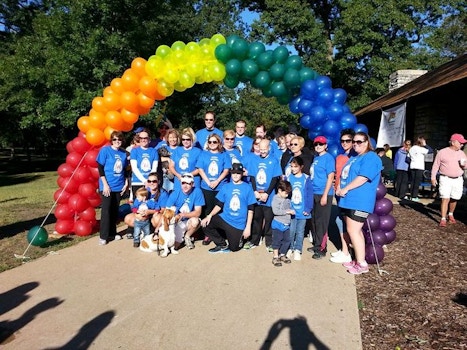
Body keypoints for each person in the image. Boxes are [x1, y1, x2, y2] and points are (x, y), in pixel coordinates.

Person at [336, 132, 382, 275]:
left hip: (360, 201)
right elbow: (346, 176)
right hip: (348, 200)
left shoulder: (371, 157)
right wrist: (339, 187)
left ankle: (362, 264)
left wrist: (346, 188)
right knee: (353, 231)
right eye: (354, 142)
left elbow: (363, 177)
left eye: (359, 142)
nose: (356, 144)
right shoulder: (354, 158)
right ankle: (357, 259)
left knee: (353, 231)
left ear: (367, 142)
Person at [200, 163, 256, 253]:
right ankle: (221, 244)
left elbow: (251, 209)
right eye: (234, 173)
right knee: (205, 223)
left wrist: (248, 227)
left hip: (238, 223)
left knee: (234, 248)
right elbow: (219, 205)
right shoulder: (226, 186)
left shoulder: (248, 188)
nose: (235, 175)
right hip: (225, 218)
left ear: (242, 174)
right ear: (231, 173)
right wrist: (209, 215)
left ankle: (240, 237)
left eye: (238, 173)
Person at [243, 138, 282, 251]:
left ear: (269, 148)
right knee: (256, 218)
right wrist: (255, 191)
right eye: (261, 149)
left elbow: (275, 179)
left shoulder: (274, 160)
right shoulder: (254, 160)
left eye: (265, 149)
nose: (263, 151)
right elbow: (252, 177)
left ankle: (269, 242)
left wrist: (267, 193)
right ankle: (254, 240)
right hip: (257, 195)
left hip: (268, 196)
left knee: (269, 219)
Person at [196, 133, 230, 245]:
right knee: (208, 210)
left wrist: (217, 181)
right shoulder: (203, 154)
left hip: (220, 187)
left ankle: (220, 233)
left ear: (219, 143)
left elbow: (226, 170)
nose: (212, 144)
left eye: (214, 142)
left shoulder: (224, 155)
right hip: (206, 187)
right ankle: (208, 234)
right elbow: (200, 169)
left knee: (219, 210)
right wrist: (208, 182)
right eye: (210, 142)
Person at [96, 131, 129, 245]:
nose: (117, 142)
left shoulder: (123, 153)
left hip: (118, 186)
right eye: (114, 139)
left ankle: (113, 233)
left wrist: (126, 182)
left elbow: (124, 170)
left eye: (119, 139)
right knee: (106, 211)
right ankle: (103, 236)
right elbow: (100, 168)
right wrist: (105, 184)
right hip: (107, 186)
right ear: (111, 140)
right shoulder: (105, 150)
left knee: (115, 211)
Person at [307, 136, 335, 260]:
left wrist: (325, 195)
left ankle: (322, 248)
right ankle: (316, 244)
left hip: (323, 193)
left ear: (326, 146)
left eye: (321, 144)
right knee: (313, 220)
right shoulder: (316, 158)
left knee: (321, 222)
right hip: (314, 192)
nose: (318, 146)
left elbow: (330, 177)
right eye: (316, 144)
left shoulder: (328, 158)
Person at [329, 129, 355, 263]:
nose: (344, 143)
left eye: (348, 141)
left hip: (350, 194)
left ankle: (349, 252)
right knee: (340, 221)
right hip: (339, 194)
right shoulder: (339, 157)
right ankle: (344, 249)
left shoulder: (356, 158)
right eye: (342, 141)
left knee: (349, 223)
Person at [431, 133, 467, 227]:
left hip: (458, 179)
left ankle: (450, 214)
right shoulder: (442, 152)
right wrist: (433, 177)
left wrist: (464, 165)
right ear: (454, 142)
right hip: (445, 178)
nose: (462, 145)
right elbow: (435, 165)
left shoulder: (461, 153)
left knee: (455, 198)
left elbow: (466, 166)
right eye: (460, 143)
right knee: (445, 198)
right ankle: (443, 218)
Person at [124, 172, 169, 244]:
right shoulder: (144, 191)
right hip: (143, 214)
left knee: (157, 219)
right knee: (128, 219)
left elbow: (163, 210)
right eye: (149, 181)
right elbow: (135, 206)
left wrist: (150, 212)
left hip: (155, 214)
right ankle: (143, 230)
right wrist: (138, 212)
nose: (151, 183)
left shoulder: (163, 193)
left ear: (159, 182)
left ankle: (152, 230)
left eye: (154, 181)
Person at [162, 173, 205, 250]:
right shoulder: (175, 193)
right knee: (174, 247)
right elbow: (166, 212)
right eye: (183, 183)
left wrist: (182, 215)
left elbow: (198, 212)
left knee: (196, 221)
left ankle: (187, 236)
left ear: (192, 184)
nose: (185, 186)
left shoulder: (197, 191)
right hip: (176, 221)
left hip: (188, 220)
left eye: (188, 183)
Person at [286, 157, 313, 261]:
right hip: (292, 210)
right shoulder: (289, 178)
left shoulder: (306, 178)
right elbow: (286, 194)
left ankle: (298, 249)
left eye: (295, 166)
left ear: (301, 167)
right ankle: (290, 248)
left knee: (300, 231)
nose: (293, 169)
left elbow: (309, 194)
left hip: (302, 211)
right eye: (291, 166)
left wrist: (308, 208)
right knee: (291, 230)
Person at [271, 179, 294, 266]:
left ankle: (282, 254)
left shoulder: (287, 199)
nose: (287, 195)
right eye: (286, 193)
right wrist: (287, 212)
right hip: (278, 224)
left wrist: (292, 211)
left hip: (286, 224)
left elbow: (289, 207)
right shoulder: (276, 199)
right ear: (280, 190)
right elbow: (275, 211)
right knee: (277, 241)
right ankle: (275, 256)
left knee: (287, 240)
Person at [407, 136, 433, 202]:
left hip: (412, 166)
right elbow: (430, 151)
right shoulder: (420, 149)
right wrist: (425, 145)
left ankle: (411, 195)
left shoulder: (412, 148)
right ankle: (414, 196)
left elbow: (408, 158)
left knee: (413, 181)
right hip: (419, 167)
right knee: (417, 182)